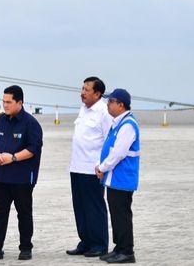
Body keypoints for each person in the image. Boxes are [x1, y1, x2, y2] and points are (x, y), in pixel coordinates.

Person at [0, 85, 43, 261]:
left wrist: (13, 158)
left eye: (8, 102)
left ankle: (26, 247)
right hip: (0, 177)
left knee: (24, 213)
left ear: (19, 102)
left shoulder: (31, 124)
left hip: (22, 178)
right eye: (3, 101)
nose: (5, 105)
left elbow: (33, 148)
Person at [67, 76, 112, 257]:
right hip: (76, 166)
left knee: (94, 207)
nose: (82, 93)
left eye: (87, 90)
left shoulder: (104, 111)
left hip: (92, 169)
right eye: (82, 89)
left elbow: (109, 140)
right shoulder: (83, 109)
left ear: (98, 93)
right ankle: (85, 242)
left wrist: (102, 165)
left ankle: (99, 244)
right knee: (80, 207)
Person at [96, 89, 140, 264]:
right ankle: (119, 248)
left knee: (122, 215)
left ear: (121, 104)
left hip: (122, 179)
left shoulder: (128, 124)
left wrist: (102, 167)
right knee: (116, 215)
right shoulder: (118, 122)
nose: (108, 104)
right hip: (114, 179)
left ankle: (127, 251)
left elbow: (118, 153)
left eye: (111, 101)